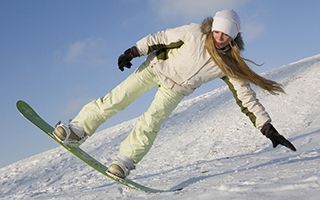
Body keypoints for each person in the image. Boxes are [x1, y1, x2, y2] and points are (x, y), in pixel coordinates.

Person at [53, 10, 296, 179]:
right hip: (154, 69)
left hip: (175, 90)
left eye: (227, 35)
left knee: (151, 122)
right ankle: (77, 130)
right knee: (116, 99)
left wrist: (267, 127)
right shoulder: (193, 33)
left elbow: (246, 97)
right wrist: (132, 51)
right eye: (219, 32)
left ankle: (123, 162)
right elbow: (160, 37)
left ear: (233, 37)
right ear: (213, 28)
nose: (221, 38)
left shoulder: (228, 64)